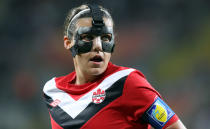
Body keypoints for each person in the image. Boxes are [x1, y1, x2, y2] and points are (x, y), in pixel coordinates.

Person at [42, 4, 187, 129]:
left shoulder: (127, 82)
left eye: (105, 38)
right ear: (68, 42)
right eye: (87, 37)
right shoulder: (52, 91)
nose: (98, 46)